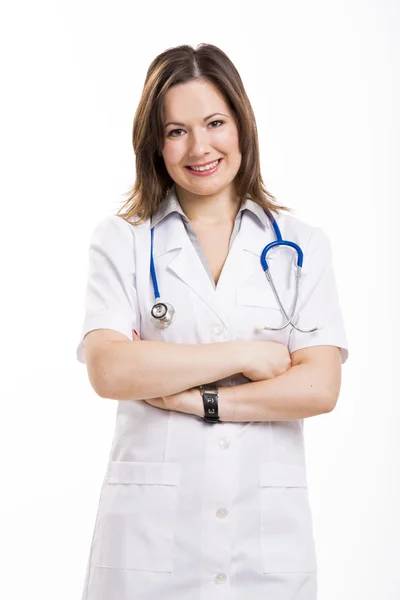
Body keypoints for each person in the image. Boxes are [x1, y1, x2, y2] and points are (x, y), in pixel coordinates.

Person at [76, 43, 348, 600]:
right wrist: (247, 356)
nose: (199, 147)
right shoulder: (124, 240)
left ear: (242, 124)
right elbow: (109, 369)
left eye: (215, 122)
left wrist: (198, 398)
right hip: (147, 549)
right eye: (176, 131)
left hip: (265, 543)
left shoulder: (300, 247)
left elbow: (319, 386)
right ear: (155, 143)